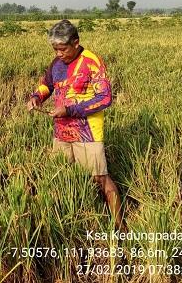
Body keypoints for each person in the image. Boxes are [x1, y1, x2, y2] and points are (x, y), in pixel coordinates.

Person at [27, 19, 123, 229]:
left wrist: (70, 110)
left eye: (62, 49)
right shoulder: (56, 64)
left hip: (87, 130)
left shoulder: (91, 61)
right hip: (62, 130)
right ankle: (72, 219)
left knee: (100, 178)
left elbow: (105, 98)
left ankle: (119, 226)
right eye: (55, 49)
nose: (58, 54)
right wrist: (37, 97)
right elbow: (46, 85)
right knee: (61, 174)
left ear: (76, 42)